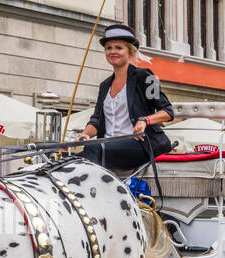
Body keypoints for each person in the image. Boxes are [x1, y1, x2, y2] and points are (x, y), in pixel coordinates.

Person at [74, 23, 174, 171]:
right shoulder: (104, 86)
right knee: (71, 160)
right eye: (109, 48)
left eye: (118, 48)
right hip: (107, 145)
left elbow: (167, 111)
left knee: (94, 149)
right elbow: (96, 120)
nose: (112, 51)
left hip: (138, 144)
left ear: (130, 52)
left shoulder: (146, 77)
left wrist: (145, 120)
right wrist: (84, 134)